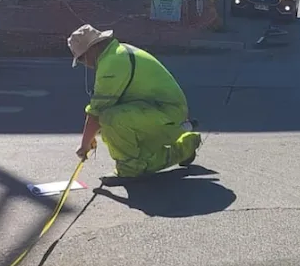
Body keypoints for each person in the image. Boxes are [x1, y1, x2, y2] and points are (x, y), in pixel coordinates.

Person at [68, 24, 201, 182]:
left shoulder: (112, 63)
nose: (85, 64)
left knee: (109, 119)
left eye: (82, 58)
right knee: (123, 139)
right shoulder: (117, 52)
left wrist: (84, 146)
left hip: (166, 113)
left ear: (91, 49)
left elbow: (97, 112)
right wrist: (90, 136)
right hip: (160, 111)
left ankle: (130, 169)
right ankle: (184, 142)